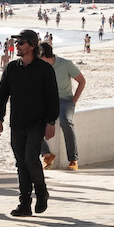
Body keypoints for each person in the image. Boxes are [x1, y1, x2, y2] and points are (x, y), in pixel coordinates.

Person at [0, 29, 59, 215]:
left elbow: (52, 97)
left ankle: (41, 191)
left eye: (21, 43)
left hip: (38, 123)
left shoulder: (44, 69)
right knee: (21, 162)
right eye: (17, 43)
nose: (17, 46)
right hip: (17, 123)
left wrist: (51, 122)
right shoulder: (12, 68)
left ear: (31, 45)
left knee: (31, 158)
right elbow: (2, 95)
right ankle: (24, 204)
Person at [36, 42, 86, 171]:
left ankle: (73, 159)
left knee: (66, 122)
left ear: (44, 56)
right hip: (46, 102)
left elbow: (82, 81)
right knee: (33, 121)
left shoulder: (66, 64)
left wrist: (74, 100)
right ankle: (47, 154)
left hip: (65, 100)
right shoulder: (39, 67)